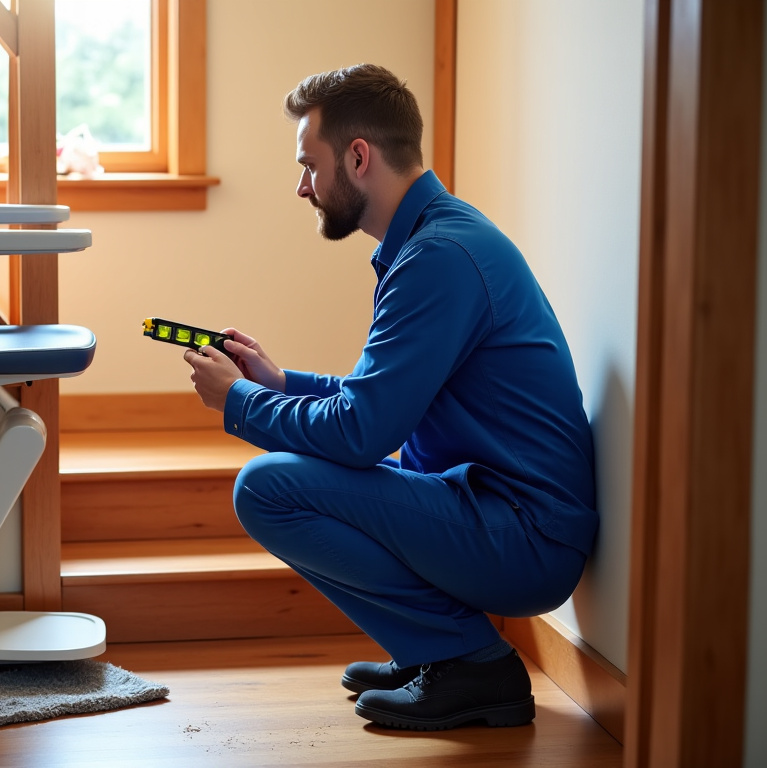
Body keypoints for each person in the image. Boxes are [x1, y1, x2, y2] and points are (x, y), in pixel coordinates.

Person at [181, 64, 598, 731]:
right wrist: (282, 384)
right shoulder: (439, 240)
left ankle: (469, 663)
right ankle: (436, 651)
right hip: (492, 507)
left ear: (358, 156)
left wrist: (238, 404)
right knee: (307, 473)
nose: (302, 187)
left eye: (309, 166)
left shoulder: (438, 258)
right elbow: (382, 400)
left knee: (267, 487)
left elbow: (361, 432)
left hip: (524, 537)